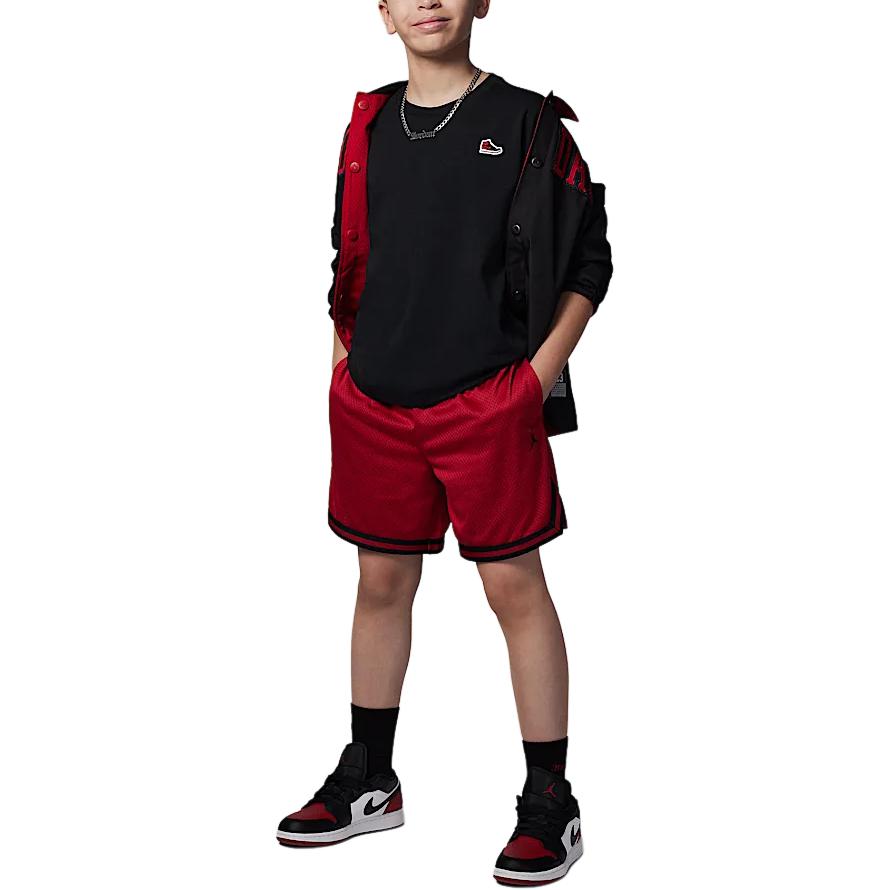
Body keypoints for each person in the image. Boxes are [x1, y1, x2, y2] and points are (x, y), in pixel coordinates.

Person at [277, 2, 612, 885]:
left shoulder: (529, 122)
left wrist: (533, 380)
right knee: (379, 583)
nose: (428, 0)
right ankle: (370, 778)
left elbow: (591, 257)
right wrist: (342, 368)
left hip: (486, 403)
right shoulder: (368, 125)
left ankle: (550, 798)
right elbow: (350, 255)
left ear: (481, 2)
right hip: (375, 403)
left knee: (514, 587)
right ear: (384, 15)